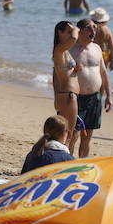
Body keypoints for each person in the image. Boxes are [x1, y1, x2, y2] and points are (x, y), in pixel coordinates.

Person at [68, 17, 111, 158]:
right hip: (75, 98)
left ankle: (81, 165)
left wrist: (109, 96)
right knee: (72, 135)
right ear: (79, 31)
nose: (93, 30)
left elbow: (103, 73)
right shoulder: (70, 49)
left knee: (87, 137)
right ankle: (67, 163)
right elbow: (60, 73)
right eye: (89, 28)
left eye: (95, 27)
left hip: (94, 98)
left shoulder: (97, 48)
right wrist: (73, 70)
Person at [50, 22, 78, 155]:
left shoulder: (64, 51)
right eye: (68, 31)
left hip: (68, 94)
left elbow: (56, 75)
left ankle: (65, 160)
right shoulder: (59, 50)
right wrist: (76, 29)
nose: (71, 33)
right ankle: (63, 161)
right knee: (68, 135)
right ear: (59, 33)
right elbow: (74, 38)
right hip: (68, 95)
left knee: (70, 135)